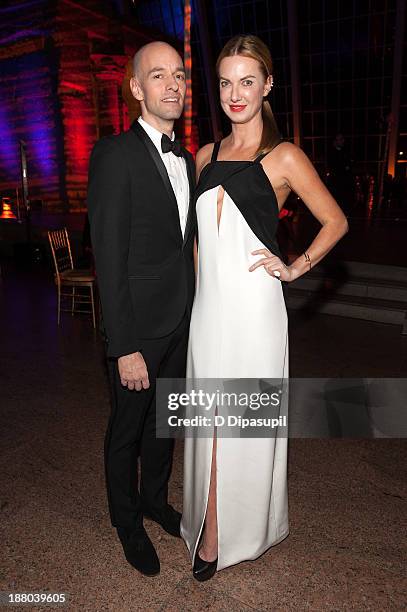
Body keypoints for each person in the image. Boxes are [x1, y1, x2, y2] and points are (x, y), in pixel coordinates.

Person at [180, 34, 348, 581]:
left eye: (247, 81)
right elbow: (201, 243)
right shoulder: (205, 154)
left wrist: (295, 266)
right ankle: (210, 517)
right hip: (210, 311)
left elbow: (336, 221)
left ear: (267, 85)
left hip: (255, 311)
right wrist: (195, 300)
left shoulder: (284, 156)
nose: (235, 93)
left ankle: (220, 534)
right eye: (226, 82)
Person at [87, 41, 195, 576]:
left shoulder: (190, 158)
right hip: (137, 328)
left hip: (179, 320)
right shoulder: (114, 154)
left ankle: (155, 499)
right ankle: (126, 520)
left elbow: (183, 244)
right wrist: (123, 344)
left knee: (164, 423)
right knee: (126, 430)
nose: (173, 84)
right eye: (159, 75)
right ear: (136, 88)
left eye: (179, 74)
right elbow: (109, 256)